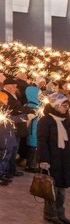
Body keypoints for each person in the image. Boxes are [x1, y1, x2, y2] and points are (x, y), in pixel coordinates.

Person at [38, 93, 70, 224]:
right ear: (56, 105)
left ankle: (60, 213)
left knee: (62, 188)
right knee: (52, 188)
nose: (66, 107)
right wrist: (44, 160)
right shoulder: (46, 121)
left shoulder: (66, 120)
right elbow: (42, 141)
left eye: (67, 105)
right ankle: (50, 213)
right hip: (52, 158)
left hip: (64, 158)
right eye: (64, 105)